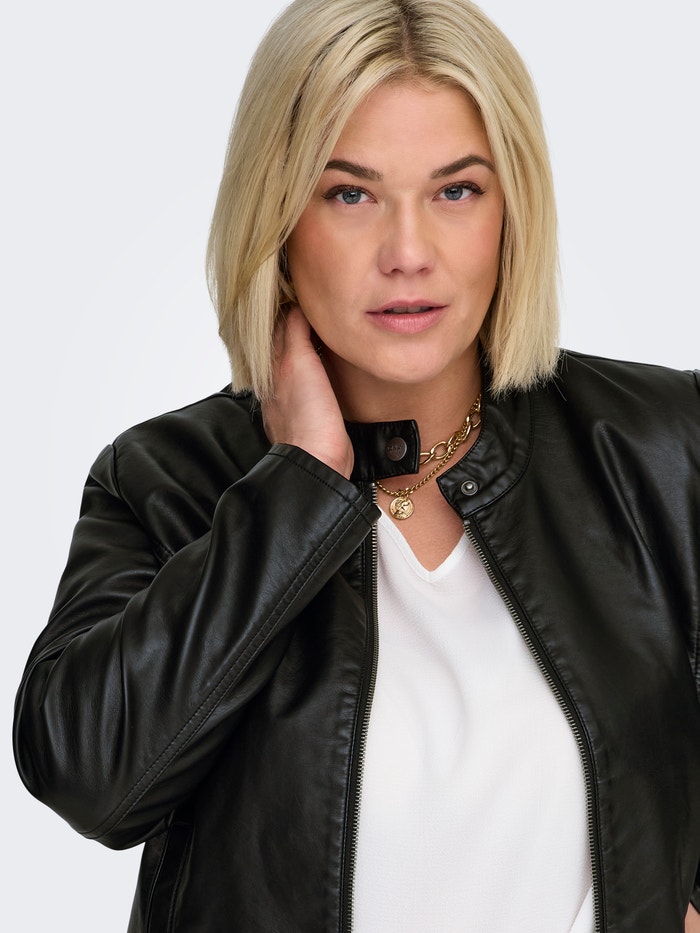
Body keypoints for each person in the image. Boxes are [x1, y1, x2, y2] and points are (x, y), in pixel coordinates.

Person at [12, 0, 700, 930]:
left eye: (457, 191)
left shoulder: (662, 448)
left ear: (513, 210)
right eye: (350, 194)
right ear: (277, 218)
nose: (408, 254)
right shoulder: (166, 480)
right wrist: (300, 485)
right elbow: (89, 777)